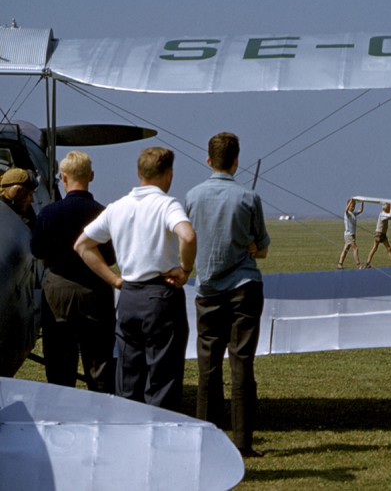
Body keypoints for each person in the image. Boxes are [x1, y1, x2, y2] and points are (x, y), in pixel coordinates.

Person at [75, 147, 196, 411]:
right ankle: (160, 436)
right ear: (168, 174)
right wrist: (185, 269)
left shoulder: (117, 207)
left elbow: (82, 245)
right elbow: (187, 236)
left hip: (129, 297)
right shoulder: (167, 204)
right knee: (162, 378)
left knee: (128, 378)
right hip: (160, 296)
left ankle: (128, 435)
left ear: (138, 173)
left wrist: (115, 280)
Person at [185, 132, 270, 458]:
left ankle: (206, 441)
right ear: (236, 161)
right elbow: (261, 247)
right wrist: (250, 246)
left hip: (207, 290)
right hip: (244, 289)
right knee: (242, 365)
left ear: (209, 160)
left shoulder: (192, 196)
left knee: (208, 368)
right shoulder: (249, 198)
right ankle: (243, 443)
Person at [30, 151, 116, 392]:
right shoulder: (103, 213)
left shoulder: (48, 213)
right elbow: (110, 257)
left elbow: (37, 250)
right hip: (95, 289)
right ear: (92, 176)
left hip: (58, 291)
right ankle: (102, 414)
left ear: (63, 177)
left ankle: (62, 413)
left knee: (59, 359)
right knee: (99, 360)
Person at [365, 203, 391, 267]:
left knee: (388, 248)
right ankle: (367, 263)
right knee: (375, 248)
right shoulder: (382, 214)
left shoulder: (385, 215)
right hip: (379, 234)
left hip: (383, 234)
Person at [338, 198, 364, 269]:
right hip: (349, 234)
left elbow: (361, 211)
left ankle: (340, 264)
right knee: (355, 248)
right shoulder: (347, 214)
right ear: (348, 205)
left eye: (354, 206)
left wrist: (362, 202)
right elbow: (346, 210)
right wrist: (350, 202)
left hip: (352, 234)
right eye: (352, 205)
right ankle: (358, 265)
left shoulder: (353, 214)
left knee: (346, 249)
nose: (353, 207)